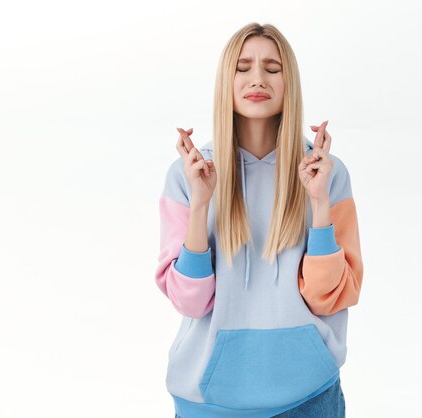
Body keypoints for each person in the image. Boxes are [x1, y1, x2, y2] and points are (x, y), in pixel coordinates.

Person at [155, 22, 363, 418]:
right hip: (210, 403)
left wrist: (319, 203)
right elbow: (189, 301)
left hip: (309, 398)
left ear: (290, 82)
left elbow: (328, 296)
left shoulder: (326, 174)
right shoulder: (188, 175)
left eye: (272, 68)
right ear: (226, 80)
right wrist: (201, 204)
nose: (257, 79)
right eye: (243, 67)